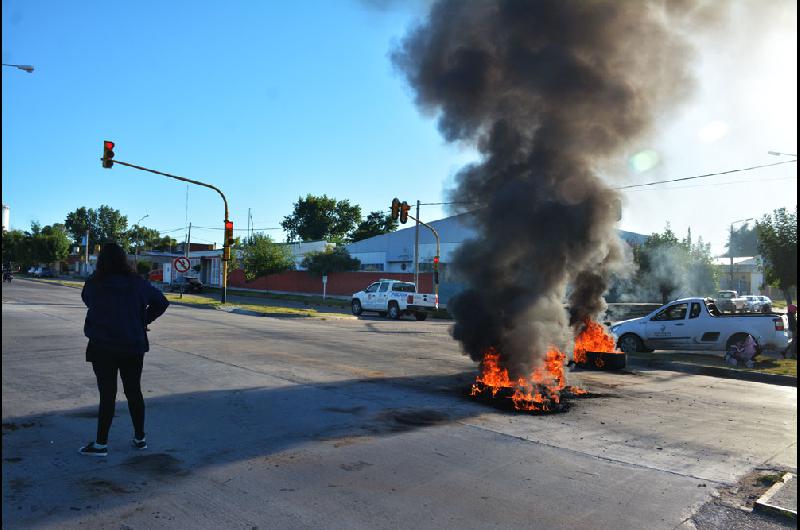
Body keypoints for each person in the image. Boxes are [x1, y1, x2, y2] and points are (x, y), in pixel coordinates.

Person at [79, 242, 169, 457]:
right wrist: (143, 320)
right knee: (134, 391)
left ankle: (101, 444)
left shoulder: (94, 284)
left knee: (107, 394)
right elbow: (162, 302)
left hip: (102, 346)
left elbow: (87, 301)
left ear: (101, 262)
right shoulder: (137, 283)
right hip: (133, 346)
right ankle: (140, 439)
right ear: (124, 260)